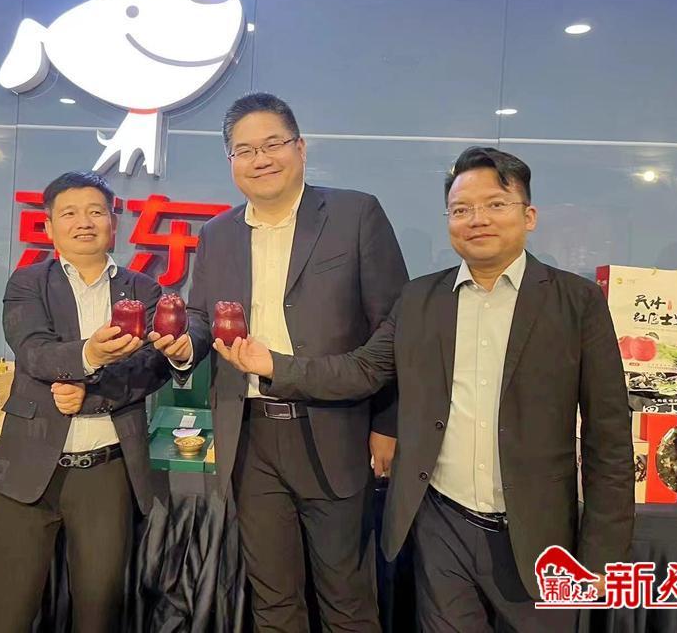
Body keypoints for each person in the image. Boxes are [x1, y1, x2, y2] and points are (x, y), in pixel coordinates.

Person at [217, 146, 634, 632]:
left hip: (538, 537)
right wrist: (274, 364)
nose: (477, 219)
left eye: (495, 204)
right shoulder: (420, 299)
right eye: (461, 209)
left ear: (529, 215)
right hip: (442, 530)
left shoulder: (576, 302)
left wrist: (603, 559)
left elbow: (609, 439)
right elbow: (362, 370)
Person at [151, 93, 408, 632]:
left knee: (347, 601)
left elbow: (393, 328)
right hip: (250, 435)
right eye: (245, 150)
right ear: (231, 162)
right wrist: (186, 347)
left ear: (301, 148)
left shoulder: (355, 214)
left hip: (335, 428)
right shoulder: (217, 233)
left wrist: (387, 424)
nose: (261, 159)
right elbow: (201, 317)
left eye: (273, 144)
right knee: (273, 600)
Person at [0, 171, 171, 632]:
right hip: (27, 468)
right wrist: (90, 354)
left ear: (113, 222)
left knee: (99, 613)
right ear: (49, 227)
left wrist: (90, 391)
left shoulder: (143, 290)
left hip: (106, 471)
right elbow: (33, 351)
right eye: (69, 213)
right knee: (6, 614)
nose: (83, 222)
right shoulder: (28, 283)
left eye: (95, 212)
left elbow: (154, 366)